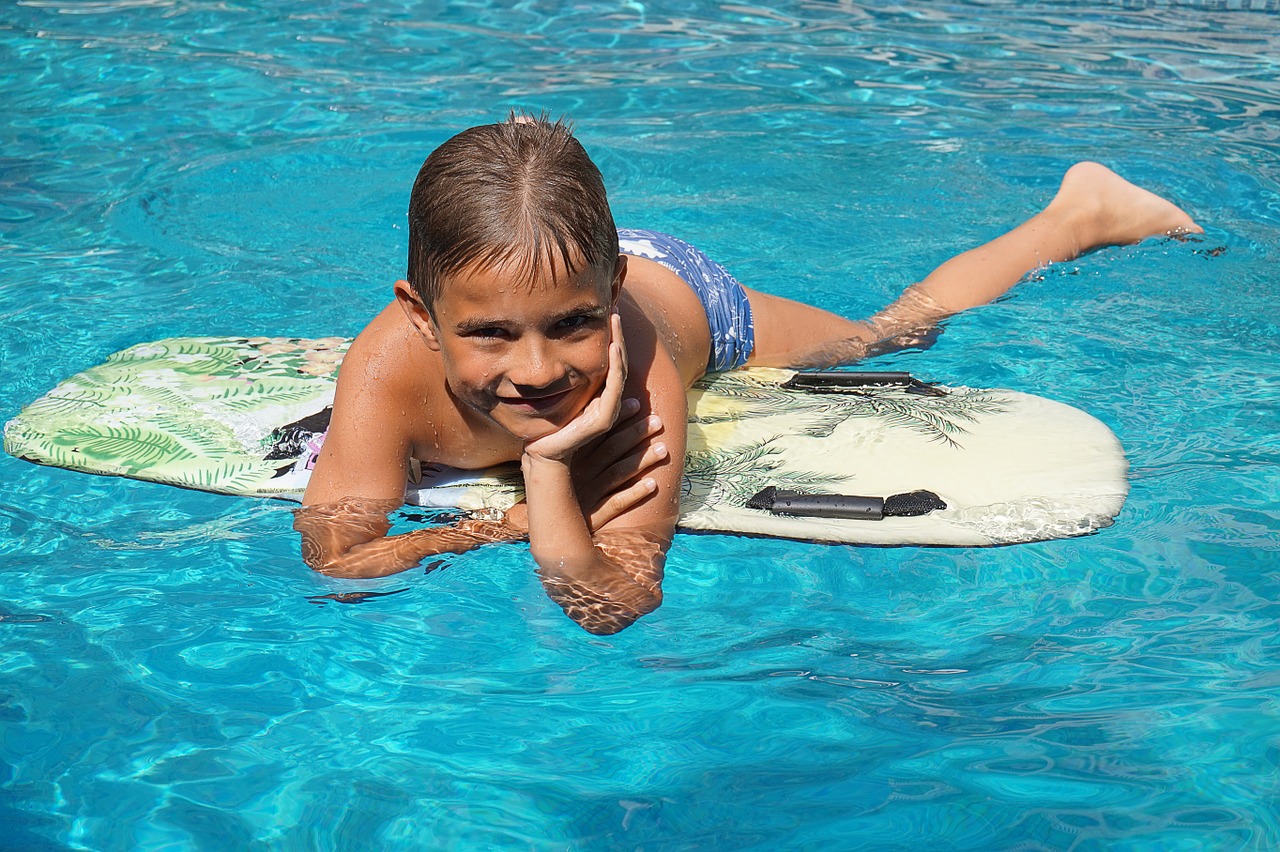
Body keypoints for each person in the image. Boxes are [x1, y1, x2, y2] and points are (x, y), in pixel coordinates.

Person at [294, 114, 1200, 635]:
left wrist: (545, 471)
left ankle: (1076, 215)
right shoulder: (386, 369)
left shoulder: (636, 368)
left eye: (571, 330)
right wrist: (507, 527)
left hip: (684, 298)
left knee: (883, 337)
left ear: (605, 302)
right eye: (488, 336)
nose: (536, 374)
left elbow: (611, 600)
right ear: (422, 315)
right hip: (575, 265)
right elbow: (341, 565)